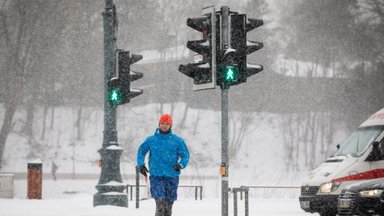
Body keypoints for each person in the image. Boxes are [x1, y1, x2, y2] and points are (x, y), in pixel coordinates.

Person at [137, 114, 190, 216]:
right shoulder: (151, 140)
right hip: (156, 176)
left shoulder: (177, 140)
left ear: (171, 126)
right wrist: (141, 164)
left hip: (172, 176)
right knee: (160, 203)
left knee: (168, 206)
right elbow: (141, 151)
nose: (164, 126)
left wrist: (181, 165)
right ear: (159, 124)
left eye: (167, 124)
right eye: (162, 123)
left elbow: (185, 155)